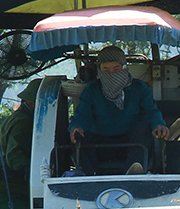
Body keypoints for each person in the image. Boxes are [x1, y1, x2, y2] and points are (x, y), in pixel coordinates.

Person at [68, 45, 169, 175]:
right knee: (83, 136)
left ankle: (133, 171)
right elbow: (82, 114)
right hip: (101, 146)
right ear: (100, 70)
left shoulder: (139, 88)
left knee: (143, 128)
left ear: (124, 67)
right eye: (106, 69)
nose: (111, 73)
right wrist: (77, 126)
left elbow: (152, 111)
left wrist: (158, 125)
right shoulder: (92, 90)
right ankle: (90, 176)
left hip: (131, 145)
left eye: (116, 68)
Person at [0, 78, 41, 209]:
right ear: (32, 103)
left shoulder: (19, 117)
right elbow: (15, 155)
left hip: (6, 191)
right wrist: (35, 176)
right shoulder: (24, 122)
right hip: (11, 193)